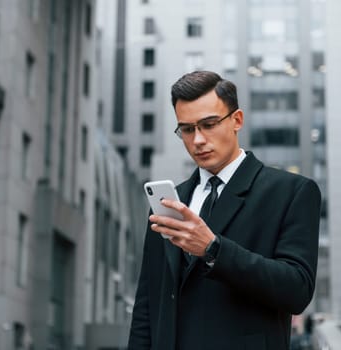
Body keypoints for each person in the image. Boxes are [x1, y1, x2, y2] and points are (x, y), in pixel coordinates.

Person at [128, 71, 321, 350]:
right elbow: (147, 303)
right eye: (187, 129)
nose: (198, 140)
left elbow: (297, 290)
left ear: (236, 121)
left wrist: (213, 249)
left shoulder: (291, 192)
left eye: (208, 124)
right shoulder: (172, 201)